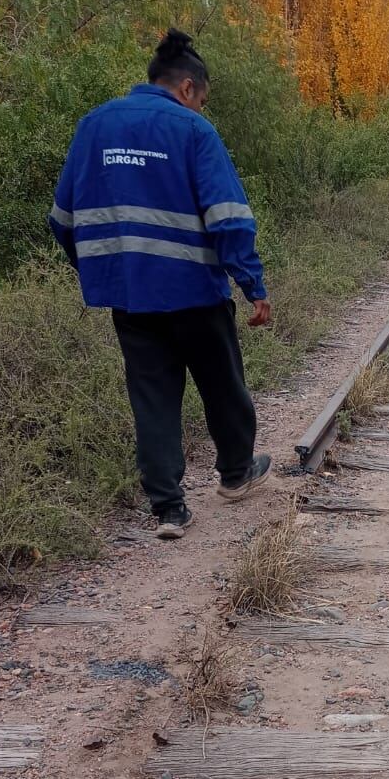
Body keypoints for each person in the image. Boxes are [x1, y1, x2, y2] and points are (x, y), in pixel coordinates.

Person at [49, 28, 272, 539]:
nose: (201, 110)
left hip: (132, 297)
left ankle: (170, 509)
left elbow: (62, 218)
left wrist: (104, 272)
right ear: (188, 88)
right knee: (221, 383)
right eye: (203, 101)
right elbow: (229, 217)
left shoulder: (94, 126)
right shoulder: (194, 132)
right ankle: (236, 474)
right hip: (195, 290)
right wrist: (251, 284)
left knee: (151, 395)